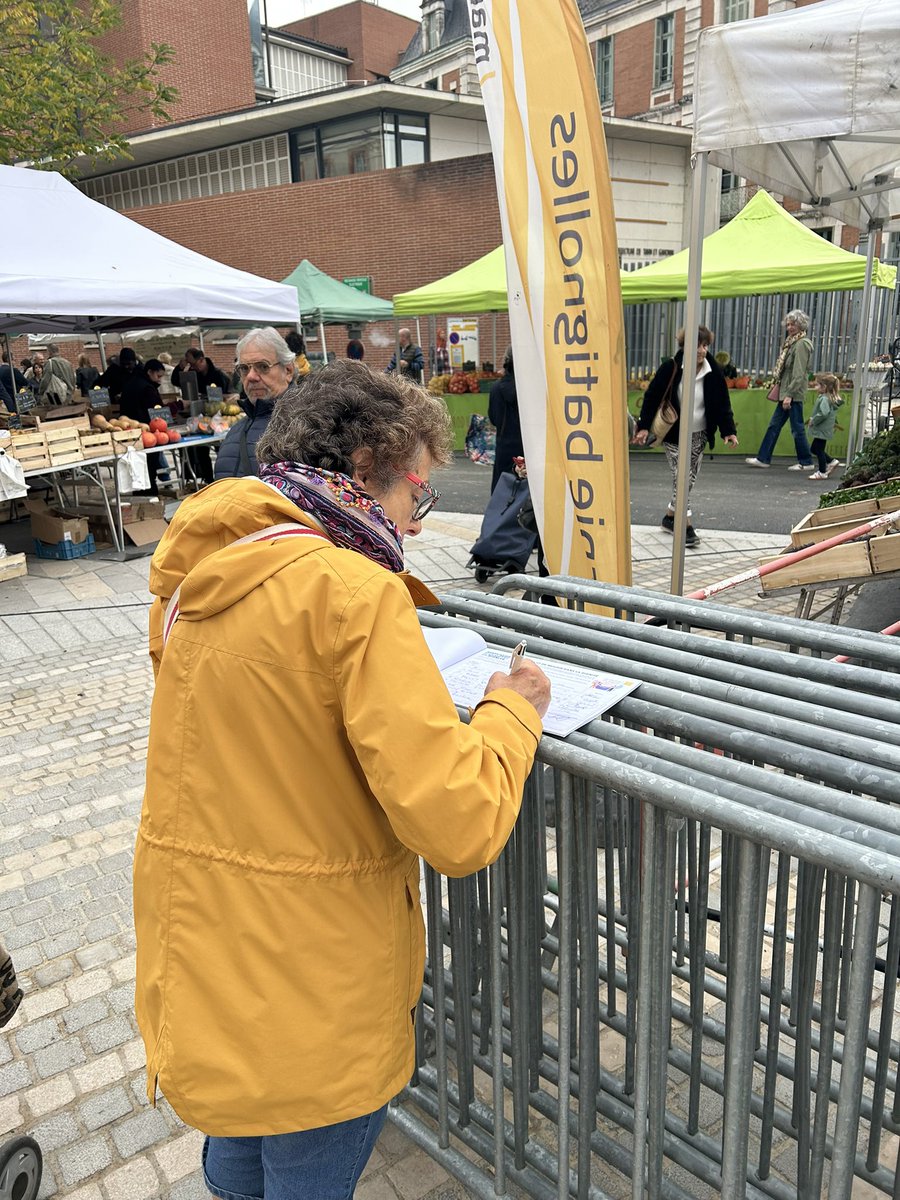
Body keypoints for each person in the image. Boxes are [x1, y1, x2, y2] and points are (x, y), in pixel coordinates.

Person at [133, 359, 550, 1200]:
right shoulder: (356, 595)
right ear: (367, 468)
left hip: (209, 954)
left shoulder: (200, 571)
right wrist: (512, 711)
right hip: (314, 981)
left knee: (239, 1150)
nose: (416, 526)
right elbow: (460, 823)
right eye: (416, 495)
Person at [633, 325, 739, 547]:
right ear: (685, 346)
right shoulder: (670, 367)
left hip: (699, 434)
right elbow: (652, 396)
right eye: (697, 345)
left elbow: (722, 402)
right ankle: (685, 525)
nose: (702, 350)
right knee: (681, 477)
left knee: (688, 479)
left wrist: (728, 430)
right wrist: (643, 427)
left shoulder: (713, 371)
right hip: (674, 434)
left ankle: (670, 517)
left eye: (705, 345)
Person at [214, 327, 296, 479]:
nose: (251, 376)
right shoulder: (236, 430)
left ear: (288, 370)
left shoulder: (308, 428)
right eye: (244, 368)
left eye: (263, 366)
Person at [746, 309, 814, 470]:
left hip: (792, 394)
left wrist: (789, 395)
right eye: (788, 324)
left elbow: (798, 373)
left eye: (793, 324)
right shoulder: (792, 343)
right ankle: (763, 458)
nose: (789, 327)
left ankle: (806, 462)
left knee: (796, 428)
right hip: (787, 392)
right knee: (775, 426)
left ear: (801, 325)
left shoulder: (801, 344)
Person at [121, 358, 167, 496]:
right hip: (145, 430)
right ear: (150, 372)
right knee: (149, 465)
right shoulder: (147, 388)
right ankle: (150, 493)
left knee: (137, 467)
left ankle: (141, 493)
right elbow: (155, 411)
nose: (159, 380)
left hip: (129, 430)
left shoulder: (131, 382)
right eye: (158, 376)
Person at [488, 346, 523, 492]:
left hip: (504, 445)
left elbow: (493, 418)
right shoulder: (528, 388)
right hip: (526, 446)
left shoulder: (496, 388)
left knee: (502, 491)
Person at [807, 372, 844, 480]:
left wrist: (813, 421)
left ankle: (822, 471)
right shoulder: (829, 398)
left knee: (818, 449)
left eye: (817, 385)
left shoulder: (824, 399)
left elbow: (824, 413)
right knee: (815, 448)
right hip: (824, 428)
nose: (815, 387)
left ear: (824, 387)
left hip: (821, 428)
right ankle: (831, 461)